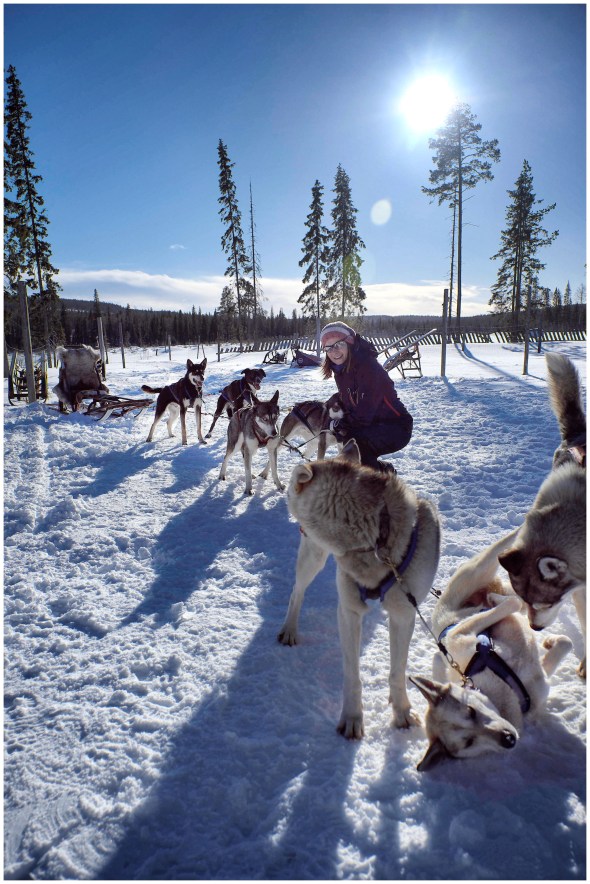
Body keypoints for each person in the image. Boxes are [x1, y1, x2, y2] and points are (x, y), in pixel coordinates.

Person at [319, 321, 413, 472]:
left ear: (349, 342)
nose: (334, 351)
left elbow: (364, 412)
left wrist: (340, 424)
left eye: (338, 344)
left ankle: (376, 485)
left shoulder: (368, 367)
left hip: (396, 426)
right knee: (351, 443)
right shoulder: (342, 371)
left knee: (357, 447)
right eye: (328, 348)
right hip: (374, 424)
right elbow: (350, 403)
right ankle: (383, 473)